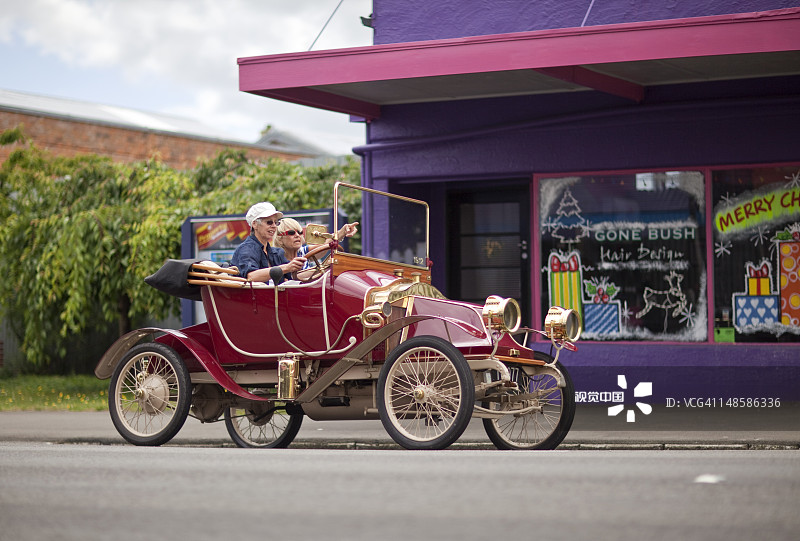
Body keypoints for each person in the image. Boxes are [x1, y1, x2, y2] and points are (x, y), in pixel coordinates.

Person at [229, 202, 306, 284]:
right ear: (254, 224)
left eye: (276, 222)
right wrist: (286, 268)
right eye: (269, 222)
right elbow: (251, 276)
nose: (274, 226)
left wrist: (319, 271)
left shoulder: (276, 253)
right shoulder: (246, 249)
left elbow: (296, 276)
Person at [275, 217, 359, 272]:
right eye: (291, 233)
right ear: (280, 239)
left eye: (300, 232)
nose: (297, 235)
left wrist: (343, 231)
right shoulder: (275, 258)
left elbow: (326, 245)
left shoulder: (303, 252)